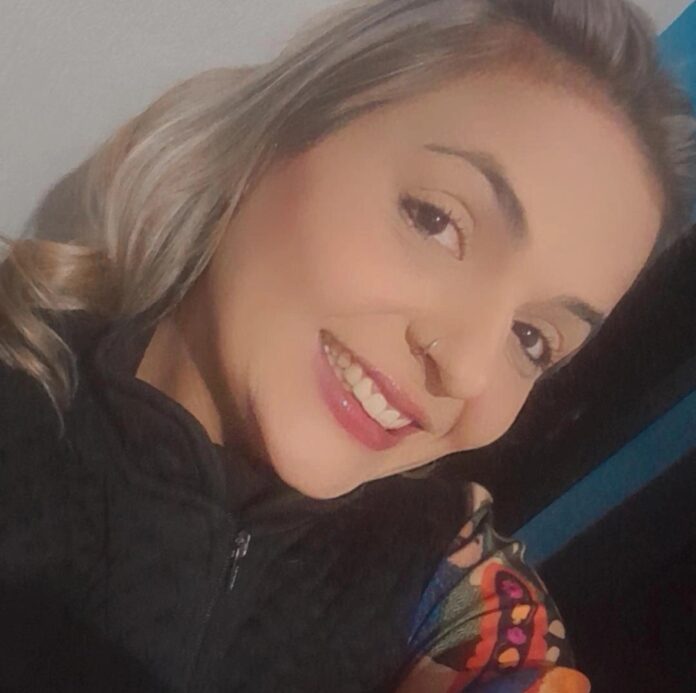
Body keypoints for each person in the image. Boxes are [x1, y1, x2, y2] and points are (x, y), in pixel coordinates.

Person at [1, 0, 694, 690]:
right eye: (437, 220)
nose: (465, 368)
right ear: (280, 133)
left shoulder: (444, 578)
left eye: (533, 339)